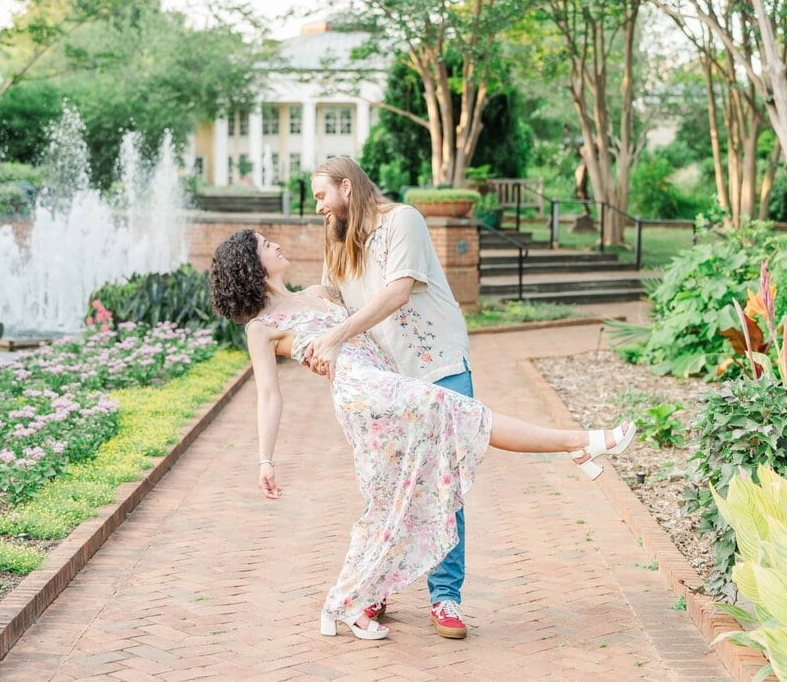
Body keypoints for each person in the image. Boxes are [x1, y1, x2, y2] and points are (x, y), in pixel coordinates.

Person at [208, 229, 636, 641]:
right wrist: (265, 459)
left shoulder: (320, 293)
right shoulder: (261, 328)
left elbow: (374, 297)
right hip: (363, 394)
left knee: (389, 500)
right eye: (265, 244)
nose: (276, 245)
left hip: (386, 381)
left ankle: (345, 603)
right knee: (464, 415)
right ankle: (578, 442)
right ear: (250, 265)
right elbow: (268, 395)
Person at [303, 156, 476, 638]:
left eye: (321, 195)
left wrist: (336, 337)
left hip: (438, 368)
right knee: (386, 489)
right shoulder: (336, 237)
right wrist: (281, 306)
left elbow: (398, 291)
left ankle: (445, 597)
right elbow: (330, 297)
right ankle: (379, 583)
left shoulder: (403, 220)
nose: (318, 207)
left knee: (442, 487)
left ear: (346, 186)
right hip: (387, 382)